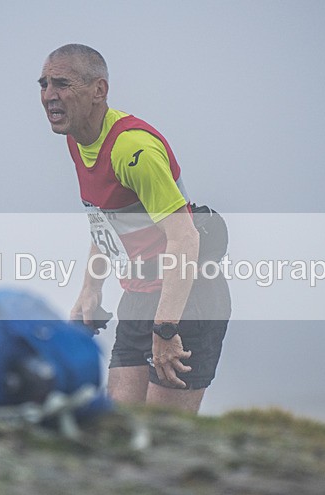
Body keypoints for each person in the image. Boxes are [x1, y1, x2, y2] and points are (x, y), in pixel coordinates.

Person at [38, 44, 230, 413]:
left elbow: (185, 237)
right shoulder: (77, 140)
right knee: (120, 428)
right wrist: (90, 290)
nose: (49, 95)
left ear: (99, 90)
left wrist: (166, 328)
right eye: (44, 84)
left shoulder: (132, 149)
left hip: (188, 301)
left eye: (62, 84)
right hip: (139, 297)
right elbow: (104, 217)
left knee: (163, 440)